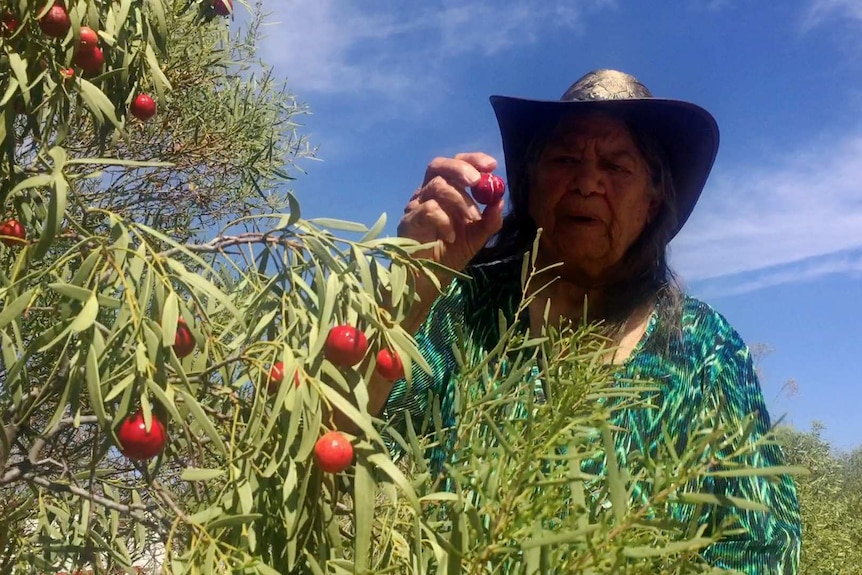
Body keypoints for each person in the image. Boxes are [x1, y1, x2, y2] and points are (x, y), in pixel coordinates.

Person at [365, 69, 801, 573]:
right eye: (566, 159)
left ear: (653, 199)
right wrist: (413, 283)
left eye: (617, 166)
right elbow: (344, 432)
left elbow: (760, 545)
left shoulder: (706, 349)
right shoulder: (462, 308)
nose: (588, 182)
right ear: (530, 185)